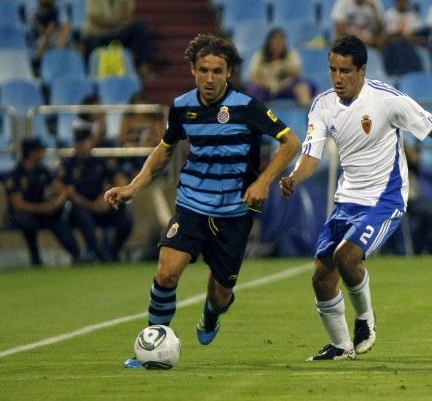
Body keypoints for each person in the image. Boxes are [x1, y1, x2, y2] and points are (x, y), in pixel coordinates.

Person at [103, 33, 300, 368]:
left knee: (220, 295)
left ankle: (211, 315)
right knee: (166, 274)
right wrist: (133, 187)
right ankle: (153, 342)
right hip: (192, 205)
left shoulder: (248, 107)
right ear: (193, 70)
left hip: (234, 213)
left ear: (228, 74)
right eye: (204, 70)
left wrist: (263, 181)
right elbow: (165, 151)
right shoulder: (181, 108)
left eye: (218, 71)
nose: (210, 78)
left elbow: (291, 143)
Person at [279, 35, 432, 361]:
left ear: (362, 70)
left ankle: (365, 320)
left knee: (347, 257)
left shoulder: (388, 100)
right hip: (346, 201)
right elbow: (311, 156)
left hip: (384, 200)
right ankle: (342, 347)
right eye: (332, 70)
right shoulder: (323, 105)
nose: (337, 78)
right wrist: (293, 178)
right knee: (321, 277)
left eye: (345, 70)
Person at [58, 127, 134, 262]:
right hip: (80, 207)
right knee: (81, 216)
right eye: (78, 142)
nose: (81, 146)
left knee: (126, 220)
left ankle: (113, 252)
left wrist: (109, 195)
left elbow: (120, 180)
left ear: (91, 142)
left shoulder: (100, 162)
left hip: (102, 204)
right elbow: (64, 189)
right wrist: (90, 205)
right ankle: (100, 256)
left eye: (84, 142)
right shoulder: (69, 164)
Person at [4, 138, 82, 266]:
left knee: (58, 220)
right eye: (40, 150)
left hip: (43, 212)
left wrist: (56, 202)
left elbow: (63, 190)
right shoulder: (16, 174)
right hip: (21, 214)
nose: (44, 152)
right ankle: (35, 256)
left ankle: (77, 254)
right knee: (27, 222)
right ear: (31, 153)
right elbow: (18, 204)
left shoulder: (43, 171)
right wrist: (44, 208)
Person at [81, 0, 154, 80]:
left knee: (139, 26)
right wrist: (116, 22)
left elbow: (127, 14)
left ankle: (143, 67)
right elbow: (95, 18)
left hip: (119, 31)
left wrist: (116, 23)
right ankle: (94, 74)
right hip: (98, 33)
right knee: (91, 40)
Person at [247, 28, 315, 108]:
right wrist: (266, 84)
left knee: (303, 88)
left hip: (286, 86)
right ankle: (257, 118)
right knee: (253, 91)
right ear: (269, 43)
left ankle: (308, 115)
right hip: (266, 88)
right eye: (275, 42)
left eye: (280, 42)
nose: (278, 45)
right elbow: (253, 76)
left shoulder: (291, 54)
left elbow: (297, 73)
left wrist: (284, 67)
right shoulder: (259, 55)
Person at [117, 91, 165, 178]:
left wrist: (149, 138)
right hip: (132, 149)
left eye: (142, 104)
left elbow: (160, 138)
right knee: (129, 150)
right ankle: (137, 174)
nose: (140, 107)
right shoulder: (128, 118)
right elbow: (122, 137)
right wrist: (136, 137)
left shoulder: (154, 119)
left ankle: (143, 175)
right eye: (137, 104)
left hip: (149, 148)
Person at [382, 0, 425, 76]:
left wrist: (408, 37)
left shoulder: (413, 15)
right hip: (393, 48)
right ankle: (402, 74)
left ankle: (414, 74)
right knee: (398, 45)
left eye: (405, 1)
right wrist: (400, 35)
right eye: (400, 1)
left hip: (410, 46)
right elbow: (387, 37)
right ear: (396, 2)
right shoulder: (388, 15)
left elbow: (417, 36)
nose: (403, 3)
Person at [31, 0, 72, 64]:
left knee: (65, 31)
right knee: (44, 41)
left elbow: (54, 28)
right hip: (39, 40)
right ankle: (38, 63)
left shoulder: (55, 10)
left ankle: (59, 59)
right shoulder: (34, 12)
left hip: (53, 39)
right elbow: (39, 29)